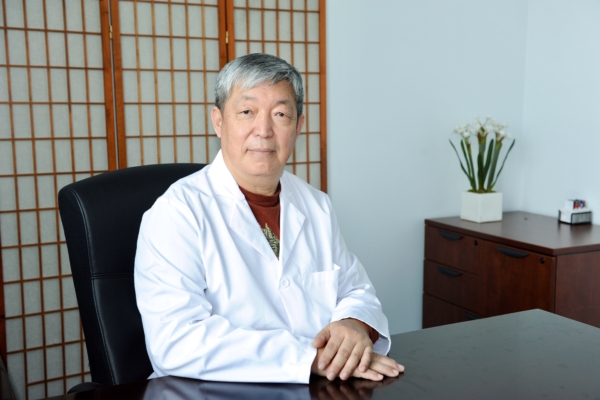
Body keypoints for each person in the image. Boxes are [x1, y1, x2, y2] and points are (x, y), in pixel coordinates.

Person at [134, 53, 403, 383]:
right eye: (246, 112)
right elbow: (176, 341)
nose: (263, 131)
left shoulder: (316, 206)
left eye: (280, 114)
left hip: (318, 386)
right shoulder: (177, 213)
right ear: (218, 121)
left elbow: (355, 289)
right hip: (207, 390)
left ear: (298, 126)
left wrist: (354, 324)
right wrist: (308, 358)